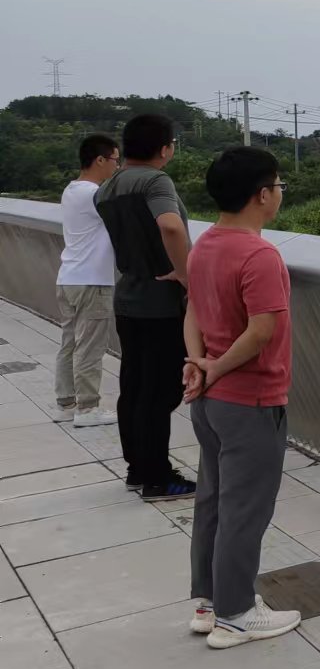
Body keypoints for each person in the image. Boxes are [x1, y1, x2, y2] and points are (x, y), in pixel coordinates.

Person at [183, 147, 300, 647]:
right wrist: (214, 367)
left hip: (210, 402)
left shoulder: (204, 244)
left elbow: (192, 311)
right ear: (262, 195)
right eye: (278, 185)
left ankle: (210, 603)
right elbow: (260, 332)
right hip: (251, 401)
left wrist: (199, 363)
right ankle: (235, 615)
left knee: (212, 501)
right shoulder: (260, 255)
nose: (279, 193)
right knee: (245, 510)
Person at [96, 114, 196, 500]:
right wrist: (184, 272)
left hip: (128, 298)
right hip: (160, 302)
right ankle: (158, 477)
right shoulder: (155, 181)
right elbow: (170, 225)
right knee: (160, 392)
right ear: (165, 148)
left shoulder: (107, 188)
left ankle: (138, 468)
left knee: (134, 387)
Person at [53, 134, 121, 427]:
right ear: (100, 160)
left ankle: (66, 404)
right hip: (92, 281)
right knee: (90, 346)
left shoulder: (71, 190)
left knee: (69, 343)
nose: (117, 166)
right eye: (115, 159)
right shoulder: (94, 194)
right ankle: (88, 409)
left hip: (68, 277)